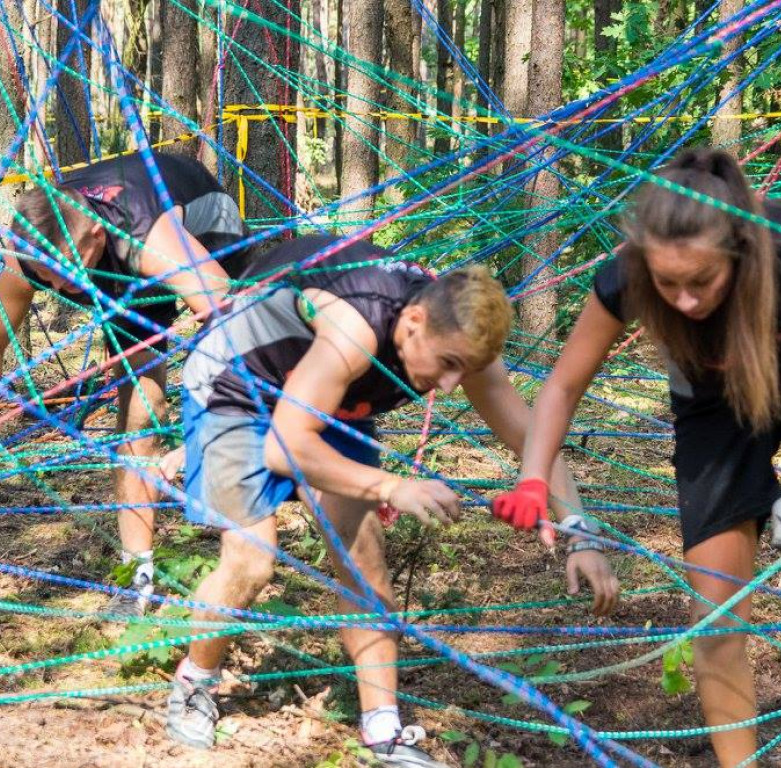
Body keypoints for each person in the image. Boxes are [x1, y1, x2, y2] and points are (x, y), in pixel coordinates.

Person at [492, 148, 781, 767]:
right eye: (668, 284)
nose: (686, 301)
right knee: (716, 622)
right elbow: (561, 386)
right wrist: (534, 480)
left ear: (738, 251)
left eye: (702, 281)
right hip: (714, 416)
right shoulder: (624, 273)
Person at [166, 234, 620, 766]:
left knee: (363, 558)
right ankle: (196, 679)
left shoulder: (461, 340)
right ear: (413, 323)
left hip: (326, 402)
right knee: (252, 559)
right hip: (236, 388)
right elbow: (285, 446)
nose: (450, 386)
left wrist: (579, 533)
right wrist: (391, 486)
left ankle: (383, 731)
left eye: (463, 370)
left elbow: (531, 439)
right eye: (447, 364)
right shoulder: (355, 327)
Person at [0, 150, 250, 616]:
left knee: (225, 380)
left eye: (67, 271)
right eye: (46, 274)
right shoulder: (31, 252)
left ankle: (242, 546)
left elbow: (229, 312)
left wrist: (211, 422)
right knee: (137, 413)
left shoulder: (149, 240)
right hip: (126, 266)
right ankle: (139, 580)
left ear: (94, 235)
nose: (58, 284)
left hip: (210, 228)